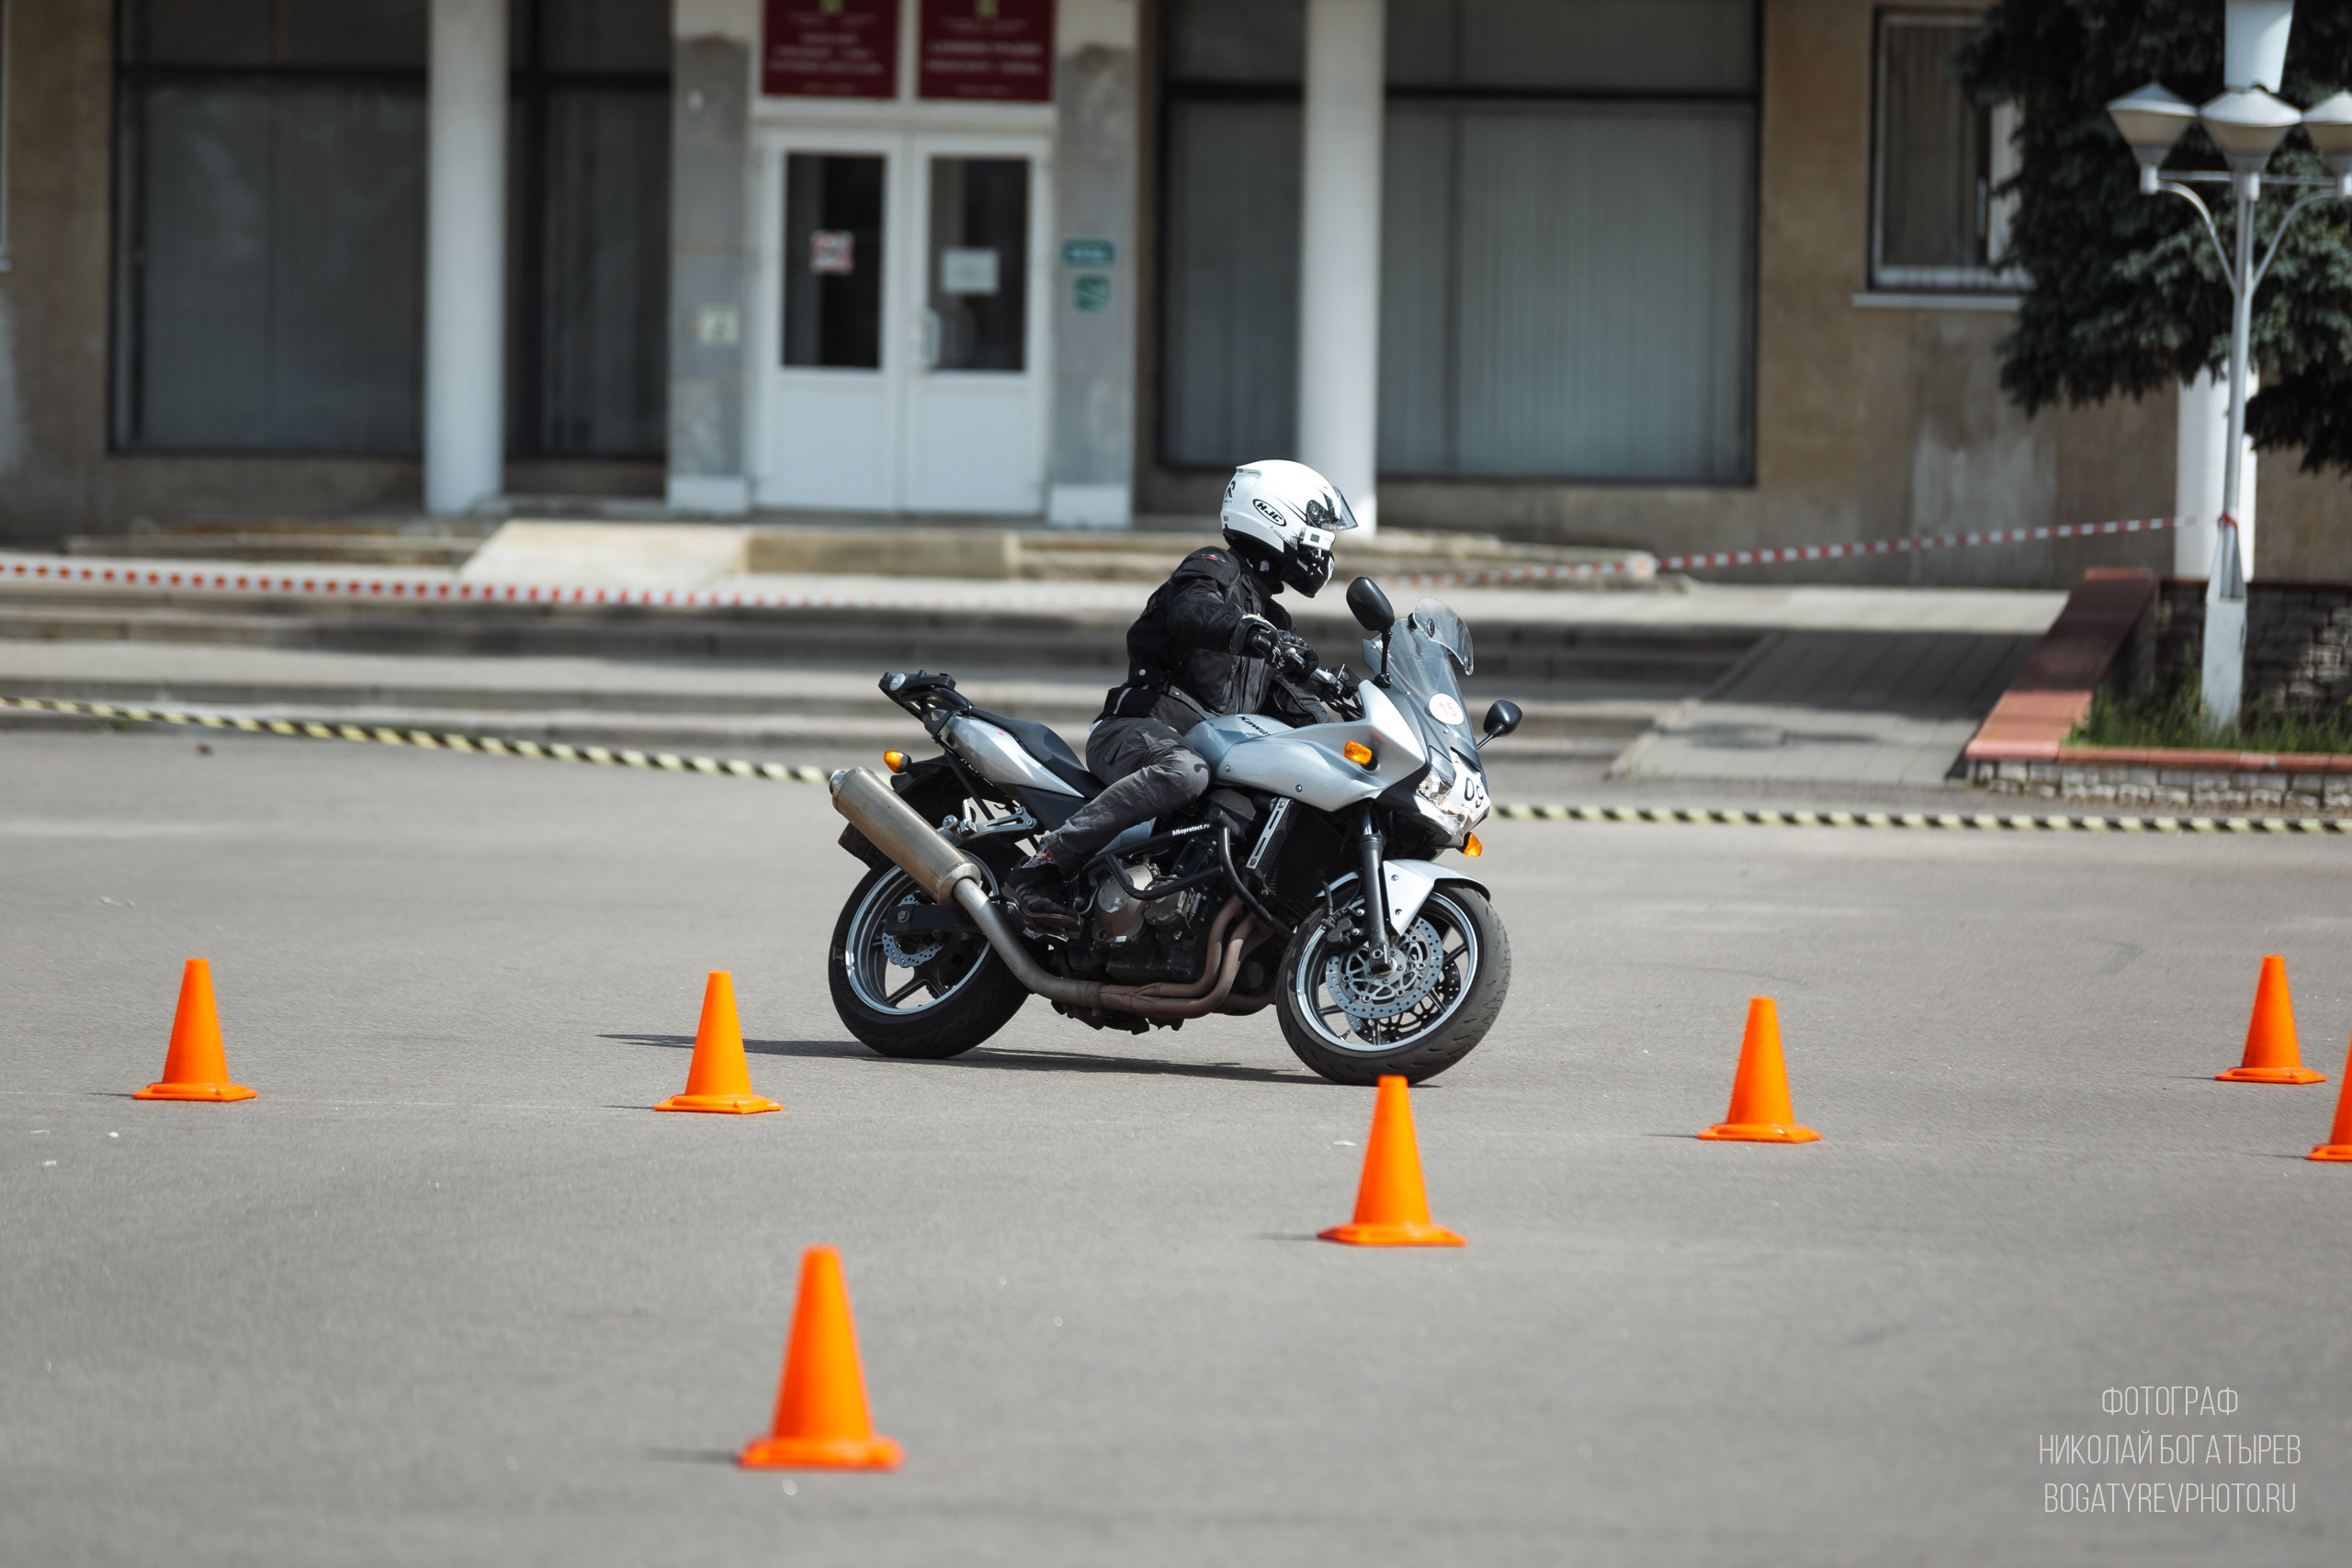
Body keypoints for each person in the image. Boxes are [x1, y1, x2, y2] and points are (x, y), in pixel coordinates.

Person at [1003, 459, 1361, 932]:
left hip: (1203, 755)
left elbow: (1297, 705)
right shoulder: (1212, 567)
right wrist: (1248, 632)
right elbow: (1193, 611)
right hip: (1134, 731)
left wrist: (1355, 731)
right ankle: (1044, 864)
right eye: (1319, 527)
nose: (1325, 543)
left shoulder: (1275, 622)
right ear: (1275, 514)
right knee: (1183, 772)